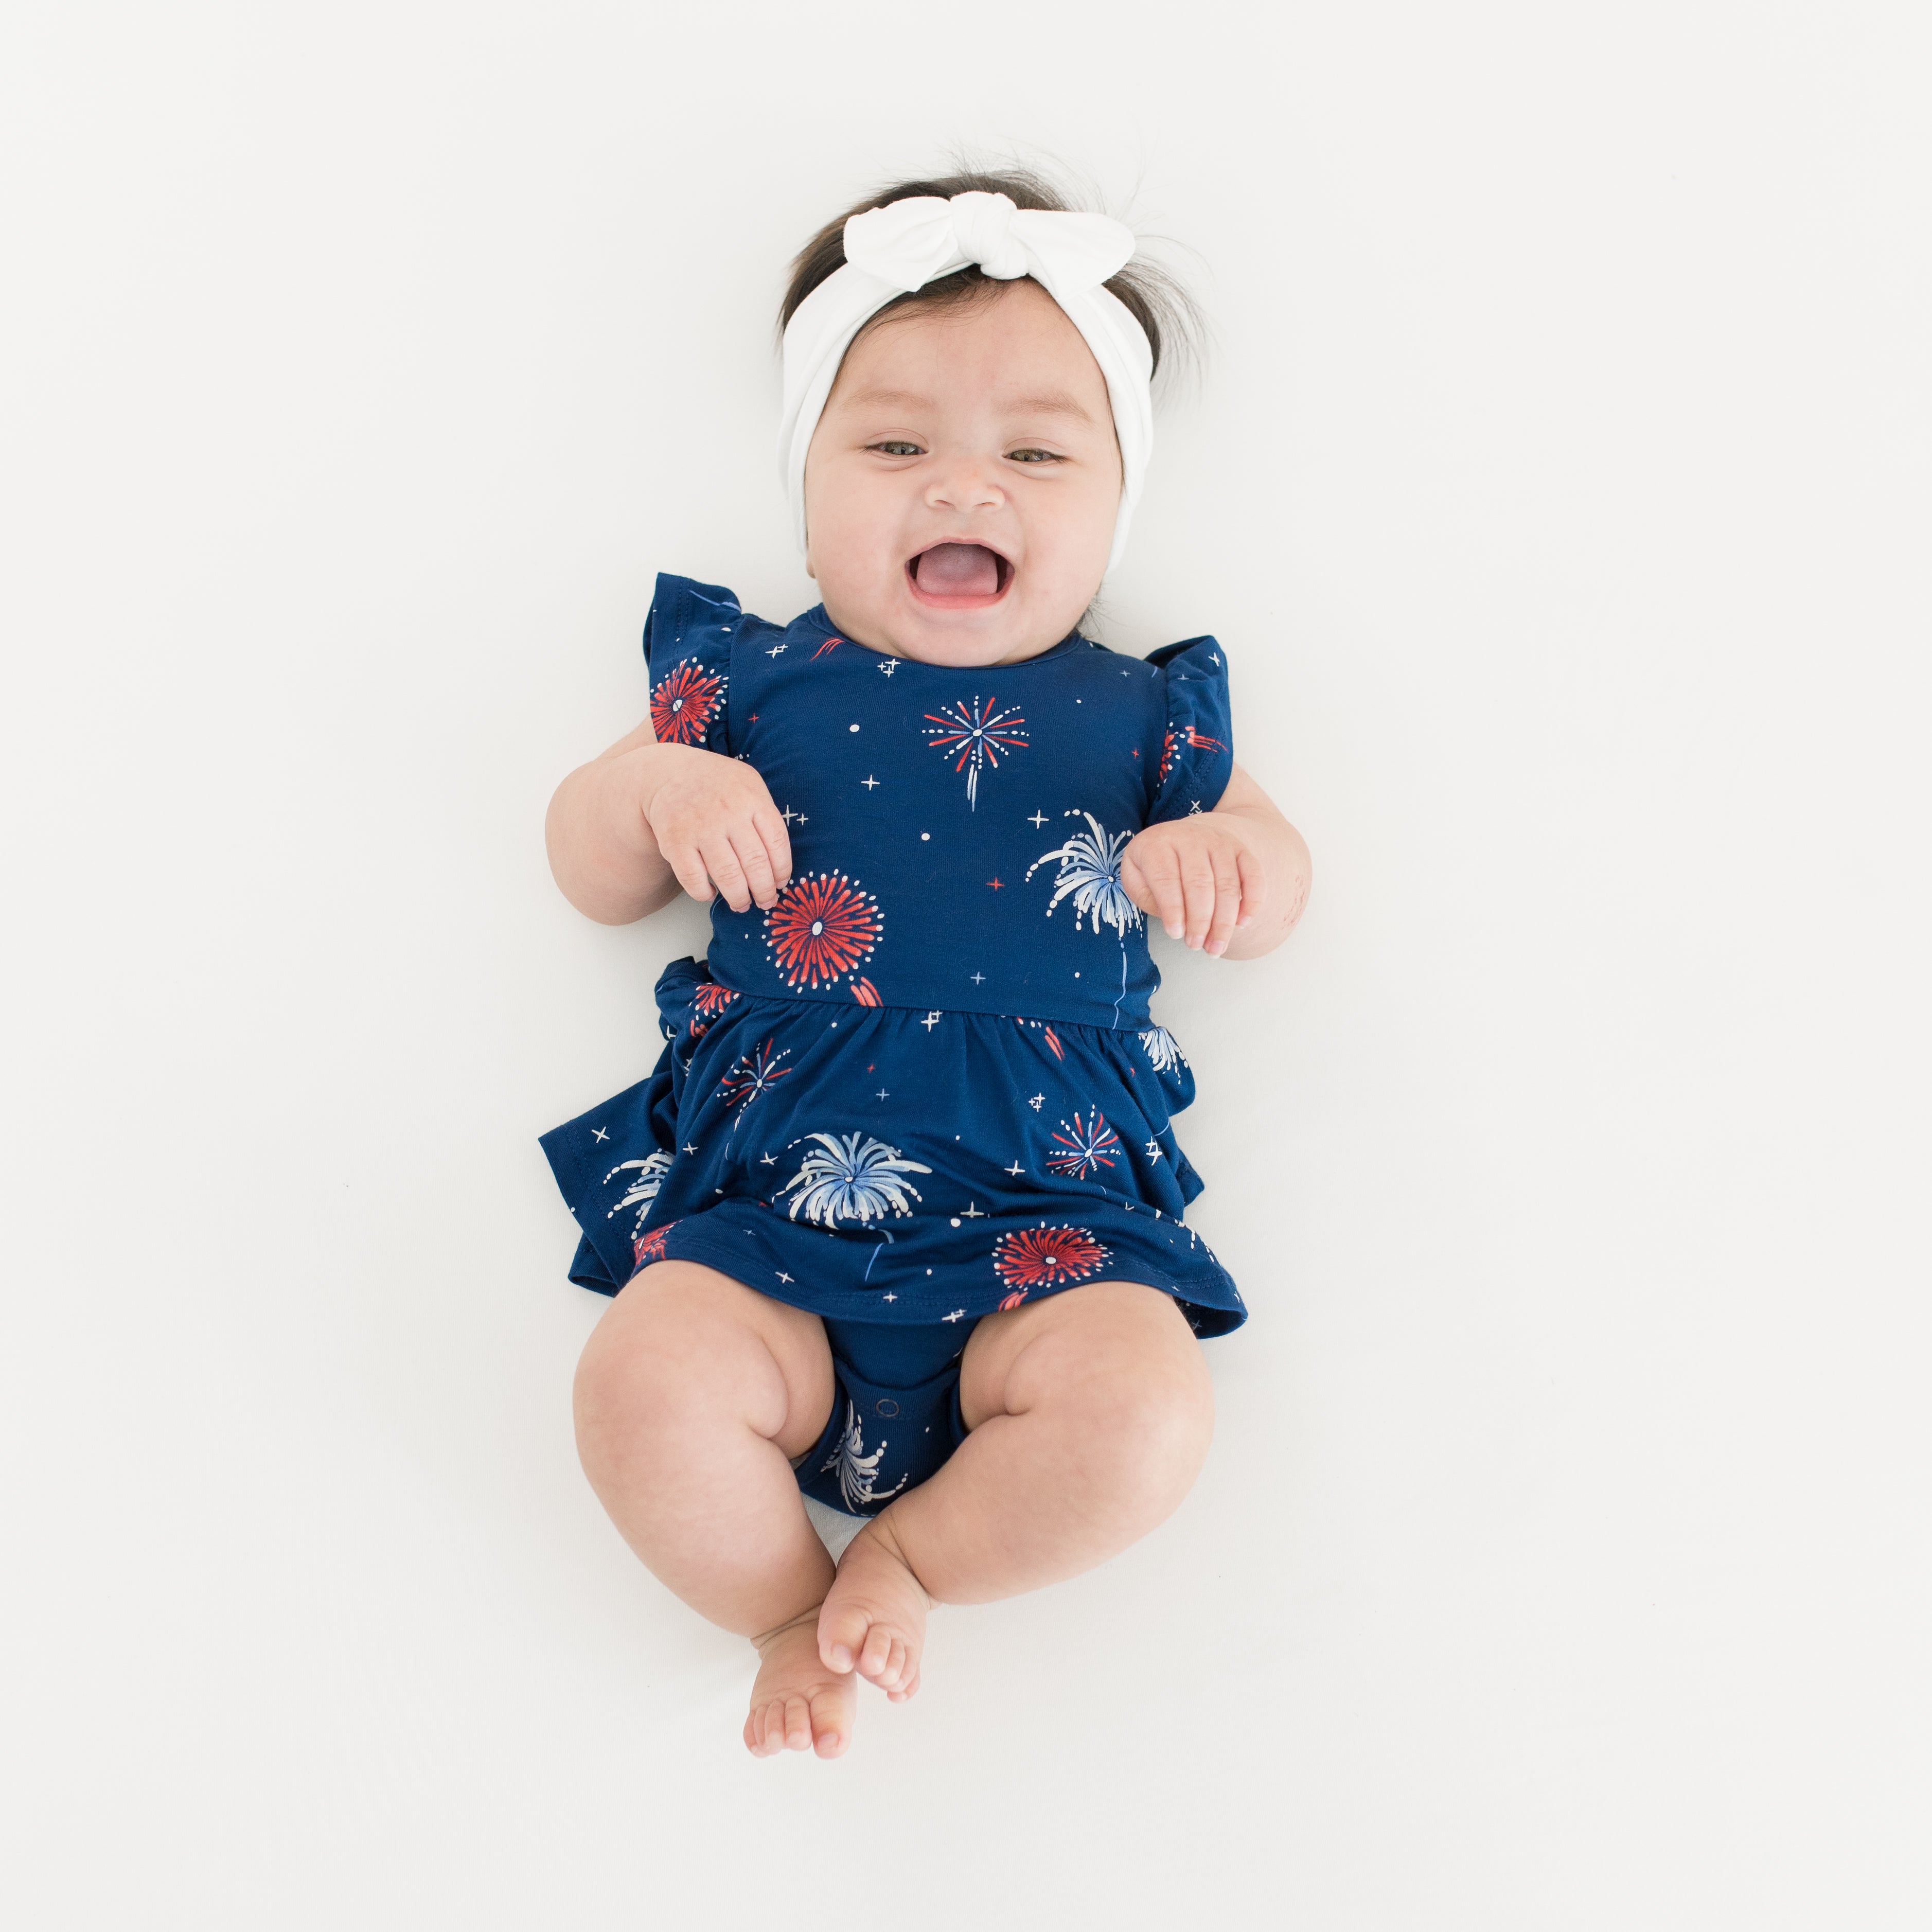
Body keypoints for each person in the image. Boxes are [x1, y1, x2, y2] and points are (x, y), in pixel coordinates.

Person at [541, 169, 1312, 1758]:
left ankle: (911, 1557)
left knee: (1147, 1411)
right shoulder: (745, 681)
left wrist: (1225, 860)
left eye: (1035, 451)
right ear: (807, 480)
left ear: (1111, 509)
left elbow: (1281, 879)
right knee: (640, 1381)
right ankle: (778, 1609)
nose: (964, 485)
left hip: (1053, 1233)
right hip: (769, 1242)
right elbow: (584, 864)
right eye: (893, 445)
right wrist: (657, 793)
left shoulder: (1143, 716)